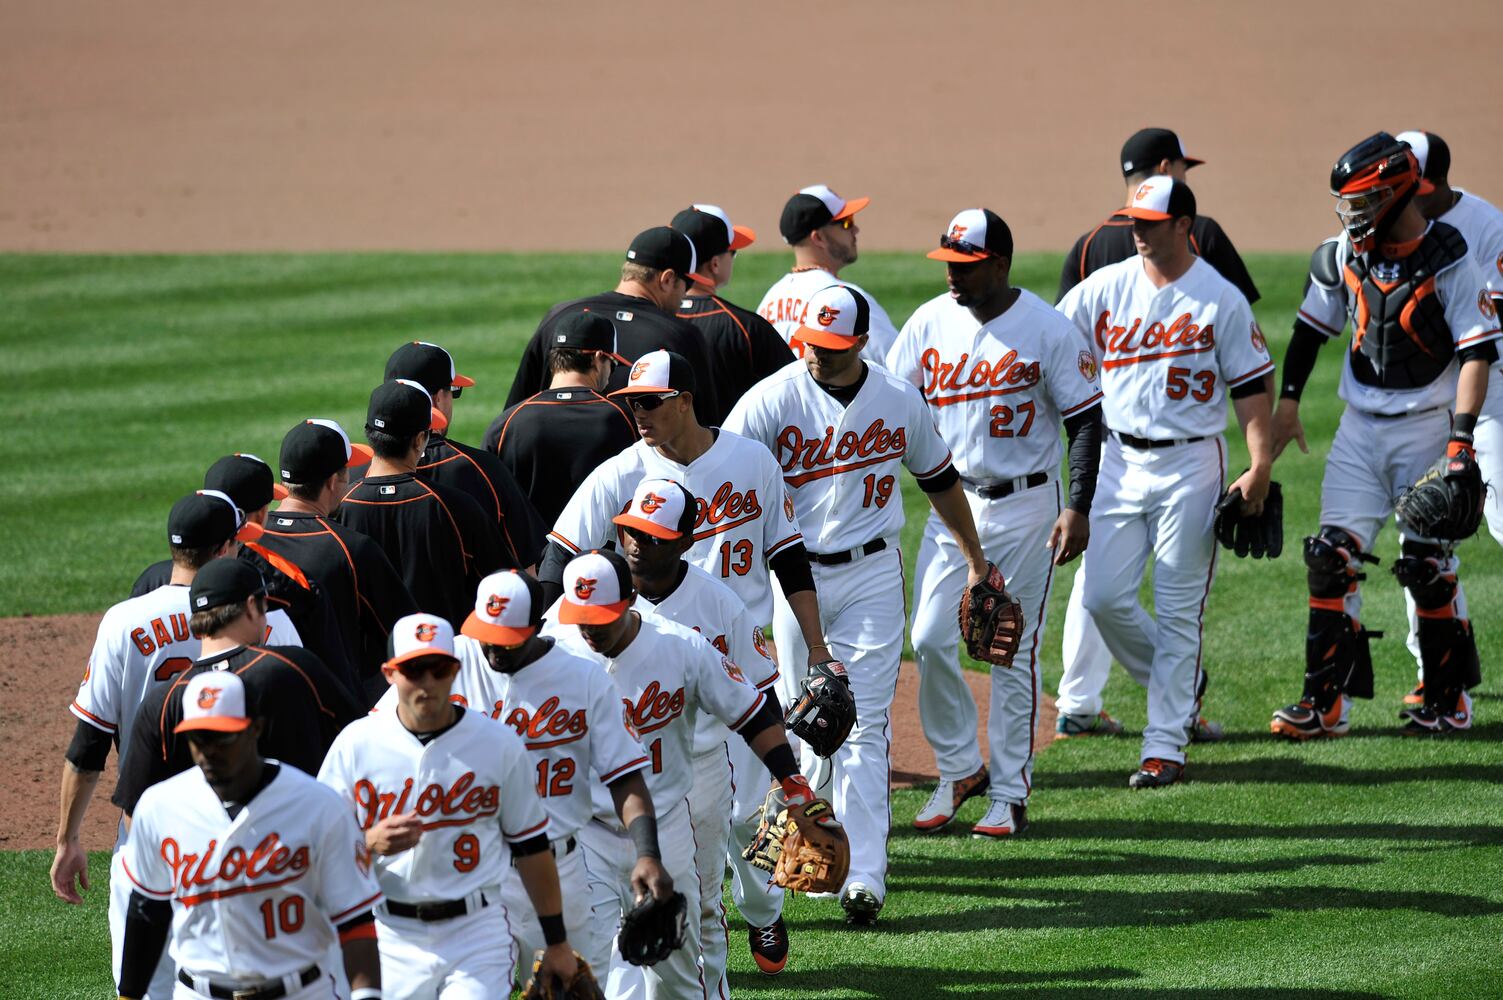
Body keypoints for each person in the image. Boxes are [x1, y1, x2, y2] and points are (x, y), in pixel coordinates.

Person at [725, 284, 990, 923]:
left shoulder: (898, 400)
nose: (818, 357)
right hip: (794, 577)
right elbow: (723, 478)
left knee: (863, 722)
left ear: (863, 343)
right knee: (807, 722)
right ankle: (802, 845)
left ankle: (865, 876)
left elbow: (941, 482)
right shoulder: (770, 399)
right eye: (812, 345)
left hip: (872, 572)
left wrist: (978, 562)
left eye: (833, 349)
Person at [1269, 132, 1499, 739]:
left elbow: (1478, 352)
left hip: (1428, 425)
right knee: (1327, 559)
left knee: (1426, 563)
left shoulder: (1449, 253)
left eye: (1364, 201)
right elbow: (1309, 330)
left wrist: (1460, 441)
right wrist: (1288, 402)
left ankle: (1447, 703)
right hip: (1360, 430)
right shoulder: (1342, 252)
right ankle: (1325, 704)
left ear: (1396, 194)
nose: (1352, 214)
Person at [887, 209, 1104, 837]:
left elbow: (1086, 419)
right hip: (952, 508)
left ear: (1001, 265)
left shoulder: (1047, 329)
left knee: (1009, 647)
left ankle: (1009, 792)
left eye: (967, 265)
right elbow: (894, 402)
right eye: (949, 264)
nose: (954, 275)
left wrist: (1078, 505)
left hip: (1028, 508)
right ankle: (960, 769)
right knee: (930, 637)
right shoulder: (930, 321)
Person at [1057, 176, 1274, 787]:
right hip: (1117, 461)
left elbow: (1251, 387)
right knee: (1101, 597)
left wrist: (1259, 465)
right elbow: (1049, 342)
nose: (1140, 233)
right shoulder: (1104, 287)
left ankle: (1165, 743)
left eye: (1152, 223)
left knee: (1181, 611)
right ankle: (1180, 682)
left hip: (1191, 465)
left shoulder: (1219, 298)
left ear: (1184, 225)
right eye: (1135, 222)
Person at [545, 548, 832, 997]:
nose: (588, 629)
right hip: (587, 832)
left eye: (599, 617)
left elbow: (752, 713)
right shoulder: (552, 650)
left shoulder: (680, 646)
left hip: (667, 826)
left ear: (628, 600)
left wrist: (793, 784)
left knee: (674, 976)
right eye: (579, 615)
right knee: (594, 969)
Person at [52, 489, 301, 1000]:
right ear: (227, 548)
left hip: (148, 835)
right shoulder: (266, 620)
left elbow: (88, 744)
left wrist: (67, 839)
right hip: (255, 836)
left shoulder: (123, 620)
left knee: (145, 987)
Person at [370, 570, 671, 982]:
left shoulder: (584, 680)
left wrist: (647, 852)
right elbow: (377, 738)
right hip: (471, 870)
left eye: (508, 638)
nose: (493, 646)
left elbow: (626, 778)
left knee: (577, 986)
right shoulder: (444, 664)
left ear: (538, 627)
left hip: (559, 866)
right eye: (486, 632)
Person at [320, 613, 583, 997]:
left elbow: (530, 847)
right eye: (413, 670)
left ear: (455, 669)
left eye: (438, 669)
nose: (427, 683)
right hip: (390, 933)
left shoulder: (497, 744)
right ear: (389, 674)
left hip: (476, 933)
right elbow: (318, 849)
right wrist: (368, 841)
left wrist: (557, 941)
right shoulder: (355, 744)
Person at [539, 348, 828, 668]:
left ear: (684, 401)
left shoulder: (753, 460)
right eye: (633, 402)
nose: (639, 413)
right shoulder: (620, 473)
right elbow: (560, 555)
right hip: (655, 648)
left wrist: (816, 646)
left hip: (740, 644)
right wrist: (541, 644)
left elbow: (789, 557)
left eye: (649, 401)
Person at [118, 670, 383, 1000]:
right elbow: (148, 910)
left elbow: (354, 919)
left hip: (300, 991)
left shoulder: (317, 806)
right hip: (197, 992)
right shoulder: (160, 806)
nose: (209, 750)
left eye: (223, 737)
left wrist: (368, 995)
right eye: (198, 738)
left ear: (255, 728)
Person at [613, 478, 785, 983]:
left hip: (700, 772)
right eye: (631, 532)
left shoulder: (718, 603)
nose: (637, 545)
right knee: (619, 910)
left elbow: (760, 692)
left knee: (702, 905)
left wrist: (787, 779)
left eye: (653, 537)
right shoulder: (599, 596)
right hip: (614, 775)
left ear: (686, 541)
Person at [113, 556, 365, 818]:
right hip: (298, 844)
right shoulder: (293, 666)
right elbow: (361, 737)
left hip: (204, 854)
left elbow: (136, 811)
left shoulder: (161, 702)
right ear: (250, 606)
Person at [1393, 130, 1503, 707]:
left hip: (1495, 395)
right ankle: (1438, 671)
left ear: (1430, 184)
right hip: (1434, 399)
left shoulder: (1487, 227)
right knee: (1422, 527)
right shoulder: (1394, 224)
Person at [129, 452, 359, 698]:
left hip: (163, 724)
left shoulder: (151, 581)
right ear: (261, 516)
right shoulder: (291, 586)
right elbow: (331, 679)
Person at [262, 417, 419, 699]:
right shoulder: (351, 549)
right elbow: (407, 632)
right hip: (334, 710)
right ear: (334, 481)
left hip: (261, 703)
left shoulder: (248, 542)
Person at [338, 379, 510, 632]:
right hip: (445, 659)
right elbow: (504, 584)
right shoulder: (455, 505)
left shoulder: (341, 506)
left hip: (372, 668)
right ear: (420, 440)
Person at [504, 227, 721, 424]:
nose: (684, 295)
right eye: (687, 284)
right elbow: (703, 428)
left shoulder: (559, 317)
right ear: (667, 279)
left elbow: (516, 411)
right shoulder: (681, 335)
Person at [384, 340, 546, 570]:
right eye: (453, 391)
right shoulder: (482, 470)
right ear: (439, 398)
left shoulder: (353, 483)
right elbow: (529, 567)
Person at [1057, 127, 1260, 304]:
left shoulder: (1086, 247)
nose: (1186, 177)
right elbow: (1242, 319)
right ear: (1165, 168)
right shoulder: (1197, 231)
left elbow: (1066, 331)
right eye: (1183, 168)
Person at [482, 312, 638, 526]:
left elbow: (489, 507)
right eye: (612, 363)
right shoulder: (624, 419)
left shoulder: (507, 424)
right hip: (602, 557)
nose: (611, 373)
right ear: (598, 358)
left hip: (531, 558)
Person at [671, 205, 795, 414]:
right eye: (733, 252)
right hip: (729, 445)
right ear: (715, 264)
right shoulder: (746, 328)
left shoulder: (649, 319)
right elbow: (797, 391)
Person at [756, 185, 900, 363]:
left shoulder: (768, 301)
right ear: (819, 238)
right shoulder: (848, 300)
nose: (855, 230)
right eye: (846, 222)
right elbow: (898, 366)